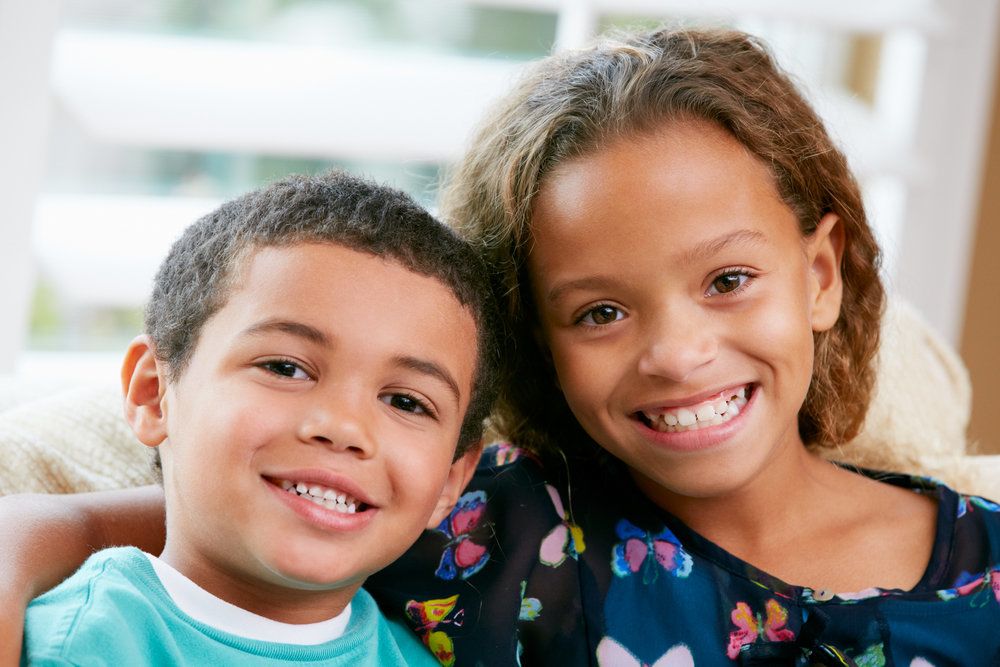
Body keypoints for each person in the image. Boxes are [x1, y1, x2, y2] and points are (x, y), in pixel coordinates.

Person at [4, 26, 999, 666]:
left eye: (727, 282)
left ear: (818, 276)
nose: (676, 352)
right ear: (535, 344)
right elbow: (154, 520)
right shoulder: (486, 525)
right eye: (599, 313)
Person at [19, 171, 501, 665]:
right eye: (285, 368)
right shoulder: (88, 645)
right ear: (153, 394)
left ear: (451, 480)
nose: (344, 427)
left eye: (406, 402)